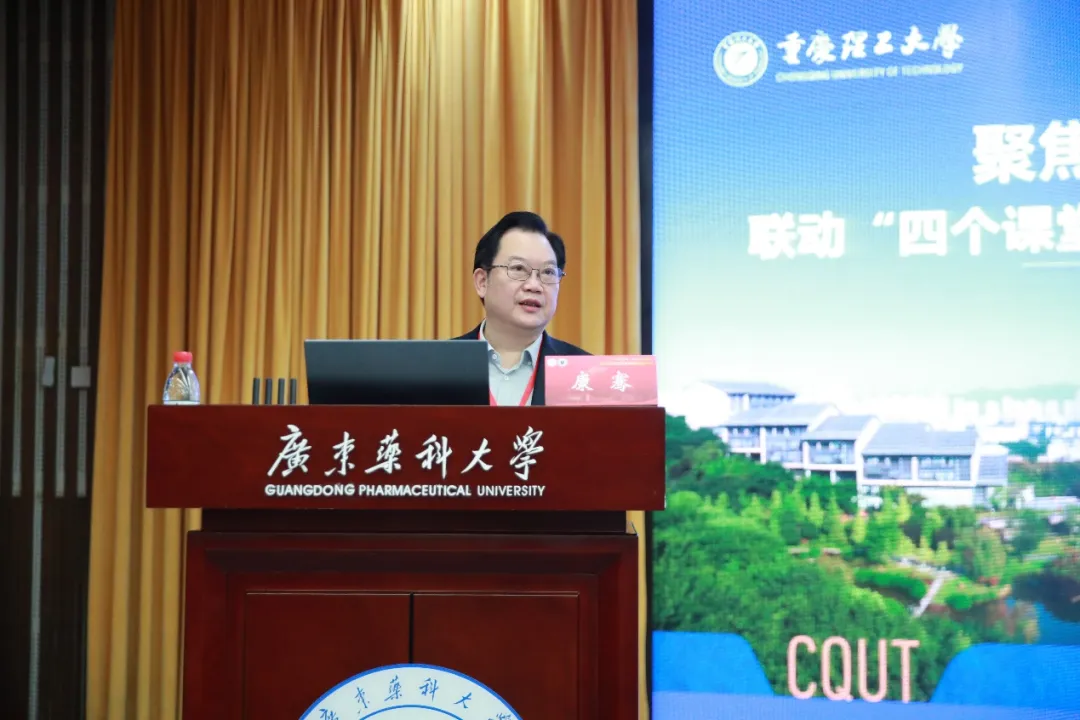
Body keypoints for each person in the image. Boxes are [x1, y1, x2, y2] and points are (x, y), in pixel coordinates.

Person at [453, 211, 590, 406]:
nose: (534, 285)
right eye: (518, 269)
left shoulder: (585, 374)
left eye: (548, 272)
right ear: (482, 282)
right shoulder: (438, 366)